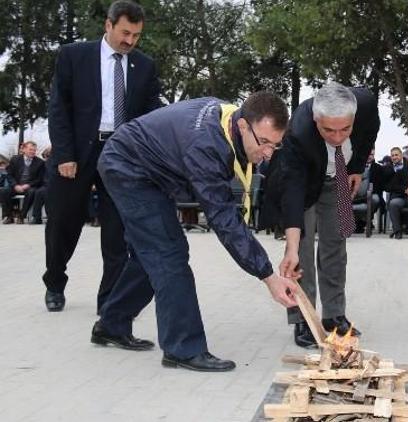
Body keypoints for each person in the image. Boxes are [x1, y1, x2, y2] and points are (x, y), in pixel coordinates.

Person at [92, 92, 299, 372]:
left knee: (150, 252)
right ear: (242, 126)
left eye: (275, 145)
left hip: (152, 168)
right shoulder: (205, 146)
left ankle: (111, 325)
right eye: (263, 142)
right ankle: (183, 348)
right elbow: (224, 218)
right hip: (127, 166)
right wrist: (267, 275)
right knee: (169, 254)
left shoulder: (227, 117)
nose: (267, 154)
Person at [43, 0, 161, 313]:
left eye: (136, 36)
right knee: (63, 222)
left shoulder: (144, 66)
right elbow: (59, 108)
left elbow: (151, 113)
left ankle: (108, 301)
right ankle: (55, 281)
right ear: (108, 25)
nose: (130, 41)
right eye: (125, 33)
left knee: (117, 230)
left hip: (121, 154)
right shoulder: (74, 56)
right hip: (79, 153)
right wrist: (65, 154)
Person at [262, 82, 380, 348]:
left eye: (345, 129)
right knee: (300, 252)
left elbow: (370, 132)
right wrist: (290, 245)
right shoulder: (298, 132)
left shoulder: (367, 105)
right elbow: (293, 191)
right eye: (328, 130)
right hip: (302, 183)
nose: (338, 137)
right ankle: (303, 317)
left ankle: (334, 315)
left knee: (335, 246)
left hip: (338, 176)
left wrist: (358, 167)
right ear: (316, 119)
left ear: (354, 116)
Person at [2, 141, 46, 224]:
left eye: (34, 150)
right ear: (24, 149)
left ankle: (22, 216)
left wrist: (28, 185)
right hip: (16, 185)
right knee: (4, 191)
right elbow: (9, 175)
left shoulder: (40, 162)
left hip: (30, 186)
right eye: (30, 149)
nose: (33, 152)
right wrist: (15, 185)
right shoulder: (15, 159)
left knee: (32, 192)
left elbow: (39, 179)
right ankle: (9, 216)